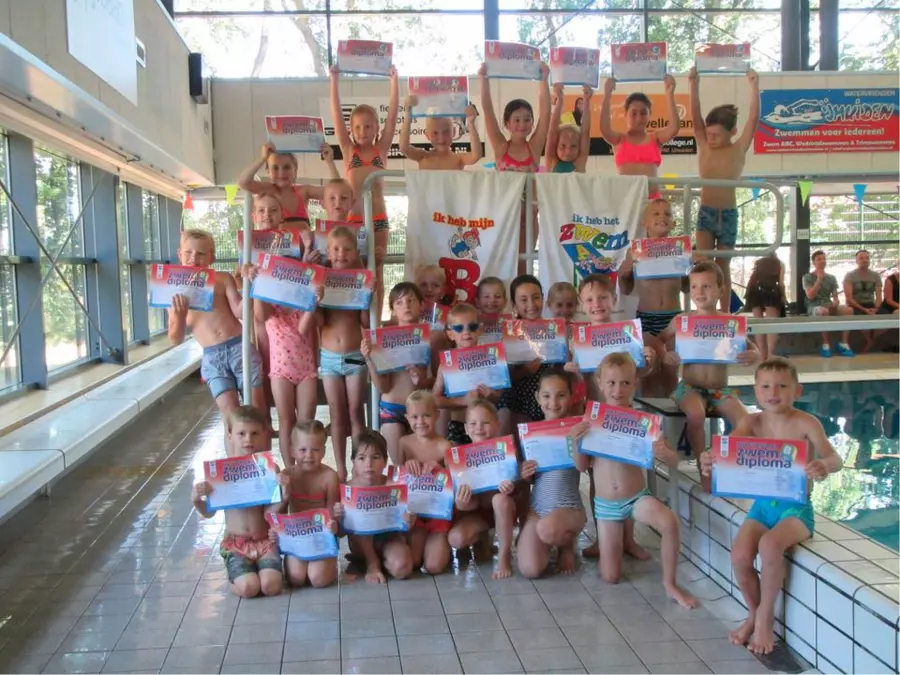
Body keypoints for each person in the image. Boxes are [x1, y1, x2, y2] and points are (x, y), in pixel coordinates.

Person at [700, 357, 842, 654]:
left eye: (781, 386)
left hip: (796, 508)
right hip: (762, 507)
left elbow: (835, 457)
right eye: (765, 386)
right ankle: (753, 613)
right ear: (755, 390)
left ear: (797, 390)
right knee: (740, 555)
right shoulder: (751, 423)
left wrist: (823, 466)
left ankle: (765, 618)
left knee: (769, 545)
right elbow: (725, 452)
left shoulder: (806, 423)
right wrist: (708, 458)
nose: (773, 392)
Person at [574, 353, 698, 609]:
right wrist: (575, 442)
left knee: (669, 523)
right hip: (606, 506)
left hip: (636, 498)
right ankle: (618, 545)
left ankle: (670, 584)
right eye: (611, 383)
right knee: (611, 577)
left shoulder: (645, 423)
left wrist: (663, 453)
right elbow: (582, 466)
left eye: (625, 383)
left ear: (635, 384)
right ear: (599, 383)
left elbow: (674, 462)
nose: (618, 390)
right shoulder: (591, 421)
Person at [565, 274, 655, 561]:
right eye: (590, 300)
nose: (597, 304)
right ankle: (601, 537)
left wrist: (648, 362)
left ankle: (629, 538)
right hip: (596, 417)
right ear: (582, 304)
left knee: (629, 474)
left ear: (613, 299)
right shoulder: (578, 340)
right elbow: (580, 381)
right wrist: (573, 371)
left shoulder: (628, 335)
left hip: (625, 415)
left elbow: (639, 374)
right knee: (598, 478)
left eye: (603, 297)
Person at [660, 261, 761, 492]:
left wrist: (754, 354)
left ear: (721, 290)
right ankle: (703, 465)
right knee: (696, 415)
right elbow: (660, 340)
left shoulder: (729, 322)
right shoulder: (682, 321)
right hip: (690, 387)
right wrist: (666, 355)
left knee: (746, 422)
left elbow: (753, 348)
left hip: (719, 389)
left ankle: (724, 460)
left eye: (706, 286)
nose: (699, 292)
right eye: (695, 287)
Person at [243, 195, 321, 466]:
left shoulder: (298, 290)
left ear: (282, 214)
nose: (267, 214)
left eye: (273, 210)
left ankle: (307, 467)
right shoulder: (251, 254)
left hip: (305, 365)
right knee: (285, 419)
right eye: (261, 211)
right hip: (279, 365)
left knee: (305, 421)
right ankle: (290, 469)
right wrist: (255, 281)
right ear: (254, 215)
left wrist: (307, 256)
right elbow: (260, 315)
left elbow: (305, 324)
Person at [169, 229, 266, 421]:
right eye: (188, 252)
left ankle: (261, 439)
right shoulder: (173, 290)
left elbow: (240, 312)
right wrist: (179, 316)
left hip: (239, 348)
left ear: (211, 257)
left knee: (256, 412)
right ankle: (233, 442)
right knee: (229, 415)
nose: (194, 258)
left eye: (201, 253)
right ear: (180, 254)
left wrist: (252, 286)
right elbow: (175, 338)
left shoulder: (222, 279)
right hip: (212, 357)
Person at [191, 406, 283, 598]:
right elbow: (209, 513)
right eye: (242, 433)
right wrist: (197, 499)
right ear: (230, 435)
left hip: (265, 541)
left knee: (271, 587)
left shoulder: (270, 469)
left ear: (264, 434)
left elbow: (272, 512)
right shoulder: (220, 473)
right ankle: (237, 579)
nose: (248, 439)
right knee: (249, 588)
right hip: (236, 544)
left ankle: (254, 571)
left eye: (254, 433)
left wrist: (285, 492)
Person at [329, 64, 399, 316]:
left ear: (377, 129)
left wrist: (394, 81)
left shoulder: (381, 150)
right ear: (351, 130)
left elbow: (393, 115)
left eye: (368, 126)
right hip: (354, 220)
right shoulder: (349, 151)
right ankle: (354, 321)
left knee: (377, 270)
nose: (363, 132)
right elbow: (336, 115)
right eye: (357, 127)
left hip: (379, 219)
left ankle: (375, 324)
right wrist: (334, 80)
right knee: (353, 270)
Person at [689, 68, 760, 311]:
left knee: (723, 266)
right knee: (704, 262)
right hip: (706, 212)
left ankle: (726, 311)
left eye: (716, 135)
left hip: (728, 213)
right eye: (708, 133)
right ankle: (703, 309)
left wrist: (754, 86)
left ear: (733, 133)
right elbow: (695, 116)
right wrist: (693, 84)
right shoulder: (704, 145)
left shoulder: (738, 148)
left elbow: (753, 118)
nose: (710, 138)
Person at [478, 60, 551, 272]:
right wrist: (483, 79)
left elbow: (546, 114)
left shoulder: (533, 148)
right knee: (502, 264)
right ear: (507, 124)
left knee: (523, 264)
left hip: (528, 216)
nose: (522, 124)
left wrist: (544, 80)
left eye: (527, 119)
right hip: (504, 213)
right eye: (516, 120)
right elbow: (488, 111)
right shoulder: (501, 147)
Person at [517, 370, 586, 578]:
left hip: (569, 507)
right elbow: (529, 479)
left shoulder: (577, 428)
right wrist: (524, 473)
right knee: (530, 569)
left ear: (571, 396)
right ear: (538, 397)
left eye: (561, 395)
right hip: (538, 509)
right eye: (546, 396)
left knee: (547, 528)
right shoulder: (530, 434)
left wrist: (576, 443)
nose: (553, 403)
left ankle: (567, 545)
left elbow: (583, 467)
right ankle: (549, 541)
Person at [317, 226, 371, 482]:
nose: (341, 254)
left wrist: (366, 299)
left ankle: (360, 466)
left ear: (356, 252)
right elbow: (319, 321)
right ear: (328, 252)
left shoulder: (360, 280)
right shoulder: (322, 280)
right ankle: (341, 469)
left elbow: (365, 322)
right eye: (336, 249)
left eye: (347, 249)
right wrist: (315, 300)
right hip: (329, 358)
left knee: (356, 411)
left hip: (354, 356)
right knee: (336, 414)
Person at [447, 399, 519, 579]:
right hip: (477, 514)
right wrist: (461, 501)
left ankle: (504, 556)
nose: (479, 428)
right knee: (456, 539)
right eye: (473, 423)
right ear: (465, 428)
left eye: (485, 422)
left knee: (500, 499)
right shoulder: (460, 459)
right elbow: (462, 506)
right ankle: (482, 538)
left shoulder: (506, 452)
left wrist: (510, 486)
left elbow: (520, 489)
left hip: (502, 511)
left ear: (497, 426)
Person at [360, 282, 431, 463]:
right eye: (399, 302)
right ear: (392, 310)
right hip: (392, 408)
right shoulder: (384, 339)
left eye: (411, 300)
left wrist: (422, 381)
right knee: (400, 465)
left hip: (422, 409)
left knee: (424, 464)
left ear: (422, 305)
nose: (406, 306)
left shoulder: (432, 337)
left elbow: (441, 381)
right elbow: (383, 387)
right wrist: (369, 359)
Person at [334, 430, 414, 584]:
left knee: (402, 568)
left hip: (388, 539)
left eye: (375, 457)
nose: (368, 464)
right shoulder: (347, 490)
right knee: (361, 516)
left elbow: (405, 526)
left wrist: (409, 521)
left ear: (385, 461)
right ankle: (372, 562)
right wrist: (339, 518)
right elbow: (341, 533)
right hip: (361, 543)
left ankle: (379, 561)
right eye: (362, 458)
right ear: (353, 461)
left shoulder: (394, 485)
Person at [271, 420, 339, 589]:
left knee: (318, 579)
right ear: (292, 451)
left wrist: (333, 526)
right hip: (297, 537)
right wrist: (284, 496)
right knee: (296, 578)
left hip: (322, 536)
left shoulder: (329, 477)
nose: (309, 455)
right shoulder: (287, 476)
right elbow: (278, 514)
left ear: (323, 451)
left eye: (315, 450)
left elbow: (332, 513)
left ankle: (329, 567)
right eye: (303, 450)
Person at [397, 390, 452, 575]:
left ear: (437, 415)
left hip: (438, 515)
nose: (420, 421)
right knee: (413, 562)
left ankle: (442, 545)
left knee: (434, 566)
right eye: (414, 417)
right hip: (415, 514)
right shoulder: (404, 443)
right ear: (407, 418)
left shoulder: (444, 446)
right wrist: (406, 465)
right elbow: (397, 479)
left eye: (426, 415)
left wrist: (441, 469)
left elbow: (455, 482)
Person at [432, 302, 504, 446]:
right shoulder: (447, 364)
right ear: (450, 334)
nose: (466, 332)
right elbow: (434, 399)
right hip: (458, 425)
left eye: (472, 327)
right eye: (459, 328)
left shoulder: (492, 359)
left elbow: (499, 395)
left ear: (480, 329)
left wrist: (492, 395)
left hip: (486, 429)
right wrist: (462, 401)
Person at [599, 75, 679, 199]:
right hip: (626, 203)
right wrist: (607, 94)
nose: (638, 118)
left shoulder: (655, 138)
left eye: (643, 113)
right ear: (625, 114)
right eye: (634, 113)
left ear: (650, 114)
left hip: (652, 203)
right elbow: (604, 128)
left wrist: (669, 94)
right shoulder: (620, 139)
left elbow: (674, 128)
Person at [237, 142, 340, 228]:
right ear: (268, 171)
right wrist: (263, 158)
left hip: (305, 247)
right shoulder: (268, 191)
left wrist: (330, 162)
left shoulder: (304, 191)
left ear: (295, 169)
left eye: (287, 167)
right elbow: (243, 182)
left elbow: (337, 191)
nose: (281, 173)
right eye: (275, 168)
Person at [400, 98, 482, 169]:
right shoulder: (423, 156)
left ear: (453, 132)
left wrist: (471, 123)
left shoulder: (458, 159)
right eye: (435, 133)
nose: (441, 138)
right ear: (427, 135)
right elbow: (404, 148)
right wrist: (408, 116)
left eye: (446, 132)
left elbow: (476, 155)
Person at [802, 250, 854, 358]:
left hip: (828, 304)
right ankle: (826, 344)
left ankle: (844, 343)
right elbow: (810, 296)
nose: (822, 261)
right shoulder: (807, 277)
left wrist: (835, 302)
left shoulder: (831, 278)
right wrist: (819, 280)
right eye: (819, 259)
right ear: (814, 262)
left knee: (848, 310)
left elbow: (835, 297)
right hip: (814, 306)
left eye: (824, 259)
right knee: (823, 311)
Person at [744, 253, 786, 361]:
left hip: (754, 292)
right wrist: (784, 297)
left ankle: (762, 356)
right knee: (772, 325)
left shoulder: (758, 263)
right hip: (771, 292)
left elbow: (752, 279)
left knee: (759, 325)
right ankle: (770, 356)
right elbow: (781, 284)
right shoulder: (780, 264)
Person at [545, 84, 592, 174]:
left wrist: (586, 101)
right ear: (556, 145)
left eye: (573, 146)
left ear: (579, 147)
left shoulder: (580, 163)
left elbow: (585, 132)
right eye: (562, 146)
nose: (568, 151)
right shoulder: (551, 161)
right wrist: (560, 100)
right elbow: (552, 131)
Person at [843, 249, 883, 352]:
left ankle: (873, 338)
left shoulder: (875, 275)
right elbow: (849, 298)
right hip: (856, 305)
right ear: (856, 261)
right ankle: (868, 340)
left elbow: (879, 296)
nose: (864, 260)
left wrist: (876, 308)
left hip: (871, 305)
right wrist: (864, 310)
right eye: (861, 258)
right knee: (861, 316)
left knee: (887, 316)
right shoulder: (850, 275)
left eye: (867, 258)